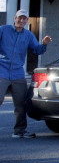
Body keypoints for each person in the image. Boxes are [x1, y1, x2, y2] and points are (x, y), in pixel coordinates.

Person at [0, 9, 51, 138]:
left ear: (27, 21)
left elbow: (37, 50)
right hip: (2, 72)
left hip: (18, 74)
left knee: (21, 104)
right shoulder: (3, 30)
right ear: (15, 18)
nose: (22, 21)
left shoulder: (28, 35)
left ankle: (19, 131)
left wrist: (44, 44)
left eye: (24, 19)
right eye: (20, 18)